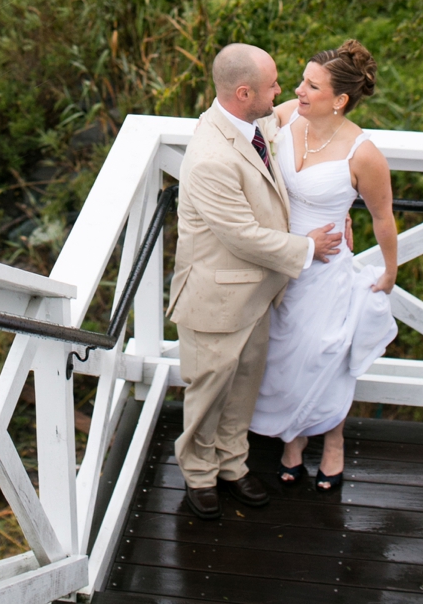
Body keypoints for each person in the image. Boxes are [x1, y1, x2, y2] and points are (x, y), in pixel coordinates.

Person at [168, 43, 343, 518]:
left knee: (243, 386)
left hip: (257, 292)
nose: (281, 89)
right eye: (272, 85)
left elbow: (285, 116)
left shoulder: (251, 123)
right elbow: (242, 236)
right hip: (216, 297)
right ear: (243, 92)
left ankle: (233, 465)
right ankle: (198, 476)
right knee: (208, 393)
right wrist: (309, 247)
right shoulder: (209, 157)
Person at [250, 39, 398, 490]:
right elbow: (234, 132)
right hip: (281, 263)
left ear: (340, 100)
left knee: (325, 356)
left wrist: (390, 271)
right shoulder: (285, 117)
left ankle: (333, 440)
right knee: (281, 358)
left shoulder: (363, 152)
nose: (298, 90)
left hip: (327, 270)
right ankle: (293, 440)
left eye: (312, 85)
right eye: (301, 81)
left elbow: (382, 217)